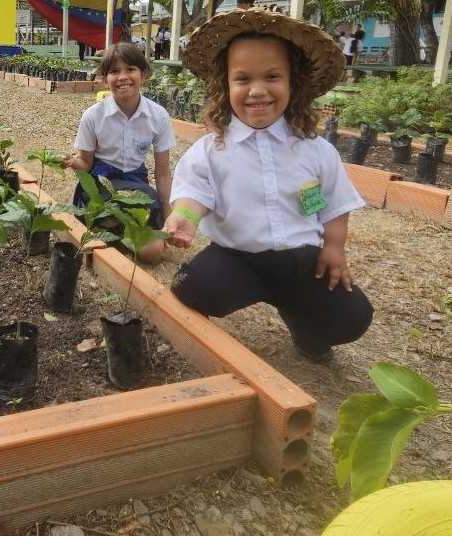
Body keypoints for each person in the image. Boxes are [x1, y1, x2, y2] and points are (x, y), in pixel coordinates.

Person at [162, 8, 373, 361]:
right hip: (238, 258)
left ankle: (304, 325)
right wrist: (184, 217)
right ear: (224, 85)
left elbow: (335, 205)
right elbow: (194, 193)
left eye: (272, 76)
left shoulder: (316, 151)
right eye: (242, 79)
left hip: (303, 262)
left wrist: (335, 248)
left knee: (352, 318)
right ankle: (247, 290)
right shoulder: (212, 150)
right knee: (192, 287)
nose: (257, 90)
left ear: (294, 82)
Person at [64, 42, 175, 264]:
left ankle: (114, 228)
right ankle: (107, 224)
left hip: (135, 183)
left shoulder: (158, 116)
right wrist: (72, 162)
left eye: (131, 69)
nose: (123, 77)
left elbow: (162, 174)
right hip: (101, 183)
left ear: (143, 75)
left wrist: (168, 214)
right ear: (105, 79)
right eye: (114, 71)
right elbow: (86, 163)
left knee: (152, 254)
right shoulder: (93, 116)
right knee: (88, 237)